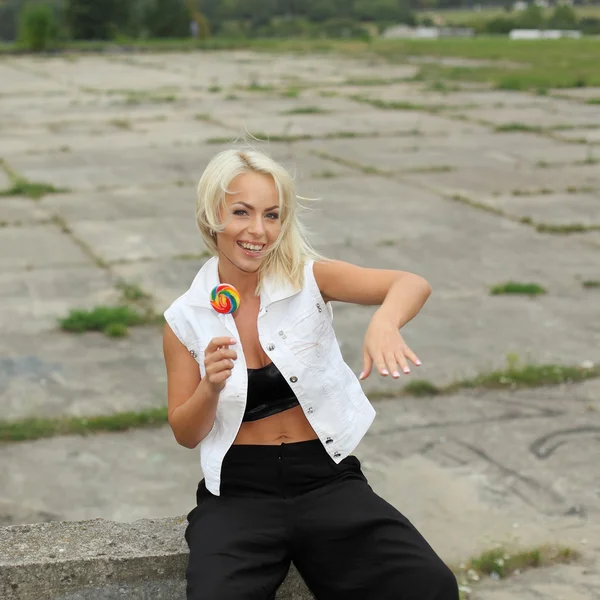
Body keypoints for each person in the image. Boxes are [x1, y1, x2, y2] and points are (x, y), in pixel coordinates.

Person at [162, 148, 459, 600]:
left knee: (429, 586)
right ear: (212, 218)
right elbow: (185, 432)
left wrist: (383, 323)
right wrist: (210, 387)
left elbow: (410, 283)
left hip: (326, 477)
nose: (258, 230)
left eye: (272, 215)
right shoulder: (185, 318)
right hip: (240, 492)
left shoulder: (308, 280)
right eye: (241, 212)